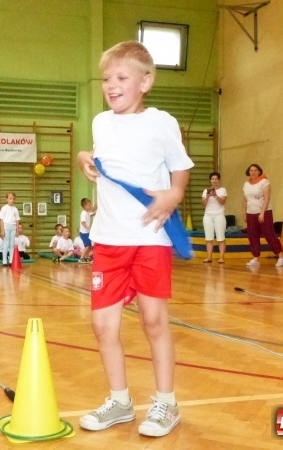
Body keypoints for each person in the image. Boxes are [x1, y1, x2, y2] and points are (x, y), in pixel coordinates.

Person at [76, 41, 194, 438]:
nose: (111, 85)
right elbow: (105, 155)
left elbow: (180, 169)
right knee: (102, 326)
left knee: (153, 320)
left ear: (146, 81)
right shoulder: (100, 122)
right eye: (107, 78)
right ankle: (121, 401)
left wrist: (175, 194)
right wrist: (83, 156)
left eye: (121, 78)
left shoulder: (162, 122)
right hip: (108, 240)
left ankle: (166, 403)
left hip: (149, 238)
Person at [242, 164, 283, 267]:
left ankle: (281, 256)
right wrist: (244, 212)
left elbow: (267, 198)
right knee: (252, 235)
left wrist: (262, 213)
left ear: (259, 171)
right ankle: (255, 258)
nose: (253, 172)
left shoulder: (264, 182)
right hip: (250, 213)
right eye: (251, 170)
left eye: (255, 170)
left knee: (269, 234)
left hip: (264, 212)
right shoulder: (246, 184)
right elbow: (244, 199)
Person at [201, 172, 228, 263]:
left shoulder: (223, 190)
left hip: (219, 215)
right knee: (208, 237)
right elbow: (203, 204)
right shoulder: (206, 191)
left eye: (216, 179)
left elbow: (222, 202)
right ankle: (209, 257)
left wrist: (215, 195)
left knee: (220, 237)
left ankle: (222, 257)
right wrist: (208, 196)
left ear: (219, 180)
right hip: (208, 215)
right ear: (210, 181)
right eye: (212, 179)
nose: (214, 180)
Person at [0, 192, 20, 266]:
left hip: (13, 228)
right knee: (6, 244)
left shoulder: (15, 209)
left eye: (13, 199)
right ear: (6, 199)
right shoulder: (4, 208)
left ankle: (11, 260)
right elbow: (1, 220)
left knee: (12, 244)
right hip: (6, 227)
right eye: (10, 198)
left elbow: (17, 221)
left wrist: (17, 231)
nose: (12, 200)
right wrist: (2, 230)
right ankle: (4, 261)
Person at [79, 198, 96, 263]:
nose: (91, 206)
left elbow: (92, 214)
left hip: (87, 232)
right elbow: (82, 222)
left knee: (89, 246)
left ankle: (86, 257)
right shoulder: (83, 213)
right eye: (89, 205)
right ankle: (81, 258)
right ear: (85, 206)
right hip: (84, 232)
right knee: (87, 246)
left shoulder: (87, 212)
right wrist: (88, 228)